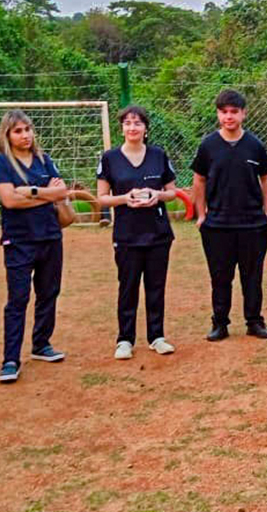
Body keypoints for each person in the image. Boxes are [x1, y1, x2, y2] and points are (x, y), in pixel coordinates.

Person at [0, 109, 68, 383]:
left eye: (28, 129)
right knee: (18, 298)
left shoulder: (44, 160)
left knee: (49, 292)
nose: (25, 135)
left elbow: (61, 192)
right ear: (7, 135)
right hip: (19, 240)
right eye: (18, 131)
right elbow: (9, 201)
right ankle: (11, 359)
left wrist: (31, 192)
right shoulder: (0, 162)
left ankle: (41, 344)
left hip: (50, 236)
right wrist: (46, 194)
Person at [191, 89, 267, 342]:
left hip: (252, 223)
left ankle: (254, 321)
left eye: (234, 112)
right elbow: (199, 180)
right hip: (217, 224)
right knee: (220, 276)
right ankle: (220, 323)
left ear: (243, 114)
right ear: (218, 114)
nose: (229, 117)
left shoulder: (254, 144)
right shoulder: (208, 145)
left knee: (253, 275)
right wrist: (201, 214)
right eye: (224, 112)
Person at [95, 104, 179, 359]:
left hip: (157, 233)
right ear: (122, 128)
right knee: (128, 286)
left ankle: (157, 336)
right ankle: (125, 340)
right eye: (128, 123)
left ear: (146, 128)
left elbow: (173, 192)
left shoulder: (158, 155)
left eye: (138, 123)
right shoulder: (109, 158)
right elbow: (101, 198)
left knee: (156, 286)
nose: (133, 128)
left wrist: (157, 195)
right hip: (127, 235)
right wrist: (125, 198)